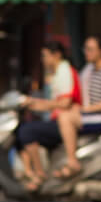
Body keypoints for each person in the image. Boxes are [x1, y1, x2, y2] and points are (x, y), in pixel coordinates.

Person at [52, 35, 101, 178]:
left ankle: (72, 162)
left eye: (90, 49)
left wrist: (84, 110)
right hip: (94, 114)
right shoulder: (89, 70)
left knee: (66, 119)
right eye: (85, 49)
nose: (86, 52)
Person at [14, 41, 82, 189]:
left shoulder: (64, 71)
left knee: (27, 131)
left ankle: (39, 173)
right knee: (21, 132)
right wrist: (33, 103)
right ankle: (29, 171)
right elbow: (53, 103)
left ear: (56, 55)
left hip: (66, 121)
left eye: (45, 56)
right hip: (58, 119)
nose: (43, 60)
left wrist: (36, 103)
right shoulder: (56, 73)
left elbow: (64, 103)